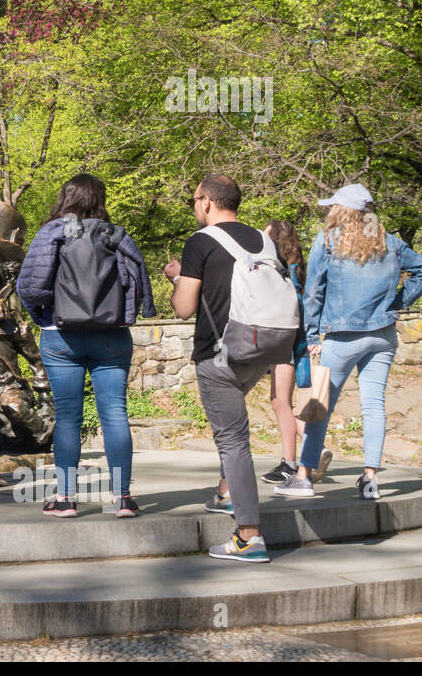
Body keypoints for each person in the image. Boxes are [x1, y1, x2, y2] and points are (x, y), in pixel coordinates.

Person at [17, 174, 156, 517]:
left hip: (61, 335)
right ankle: (122, 498)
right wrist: (132, 314)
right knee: (115, 413)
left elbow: (30, 288)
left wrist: (45, 316)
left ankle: (65, 498)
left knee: (67, 419)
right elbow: (138, 282)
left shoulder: (52, 232)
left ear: (66, 198)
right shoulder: (116, 234)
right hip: (111, 335)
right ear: (100, 200)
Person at [274, 184, 422, 500]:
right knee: (374, 405)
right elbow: (420, 271)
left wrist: (311, 334)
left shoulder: (327, 242)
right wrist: (396, 303)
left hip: (341, 338)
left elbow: (313, 291)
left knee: (320, 406)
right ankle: (370, 479)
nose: (329, 212)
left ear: (342, 211)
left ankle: (303, 476)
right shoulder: (391, 243)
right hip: (382, 335)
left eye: (333, 208)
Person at [165, 174, 272, 562]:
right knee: (233, 434)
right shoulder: (264, 239)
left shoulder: (201, 242)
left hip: (219, 352)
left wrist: (177, 276)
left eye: (194, 200)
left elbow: (184, 307)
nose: (194, 207)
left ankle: (249, 537)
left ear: (207, 201)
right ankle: (226, 492)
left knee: (233, 441)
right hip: (261, 351)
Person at [258, 220, 319, 485]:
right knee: (282, 400)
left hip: (285, 339)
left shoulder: (278, 271)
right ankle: (310, 450)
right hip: (295, 339)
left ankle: (293, 462)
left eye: (265, 232)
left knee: (280, 400)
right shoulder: (296, 270)